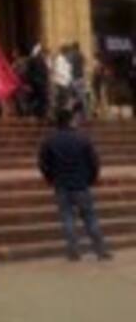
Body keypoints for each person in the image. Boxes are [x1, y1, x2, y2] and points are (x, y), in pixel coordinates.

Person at [39, 108, 111, 261]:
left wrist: (51, 178)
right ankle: (101, 250)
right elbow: (94, 162)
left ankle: (73, 252)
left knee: (67, 219)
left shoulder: (49, 140)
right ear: (71, 120)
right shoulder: (83, 139)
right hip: (81, 183)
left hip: (61, 184)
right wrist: (91, 179)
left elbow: (43, 163)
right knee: (90, 218)